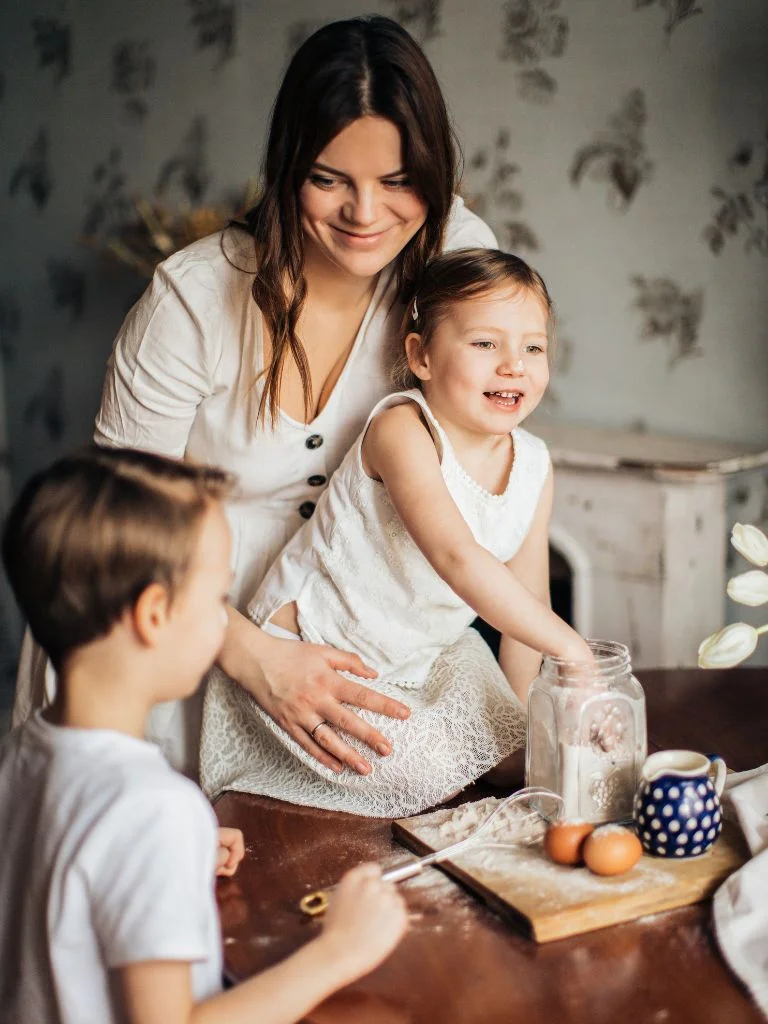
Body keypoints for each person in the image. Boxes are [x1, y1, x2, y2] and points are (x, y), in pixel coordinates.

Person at [14, 15, 497, 781]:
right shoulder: (193, 301)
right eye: (329, 178)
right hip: (162, 646)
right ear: (287, 165)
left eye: (397, 181)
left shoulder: (454, 259)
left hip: (341, 652)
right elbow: (117, 539)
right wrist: (256, 656)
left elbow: (500, 443)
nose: (365, 215)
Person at [0, 447, 407, 1024]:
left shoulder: (25, 750)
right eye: (217, 598)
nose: (224, 621)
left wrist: (165, 860)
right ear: (154, 615)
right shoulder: (155, 810)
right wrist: (340, 951)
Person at [200, 249, 593, 818]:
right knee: (431, 773)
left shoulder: (534, 463)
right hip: (312, 655)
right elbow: (457, 556)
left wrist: (524, 731)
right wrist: (573, 649)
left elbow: (527, 608)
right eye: (485, 344)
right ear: (422, 356)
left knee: (521, 754)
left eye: (533, 347)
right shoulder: (403, 428)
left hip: (419, 657)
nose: (514, 365)